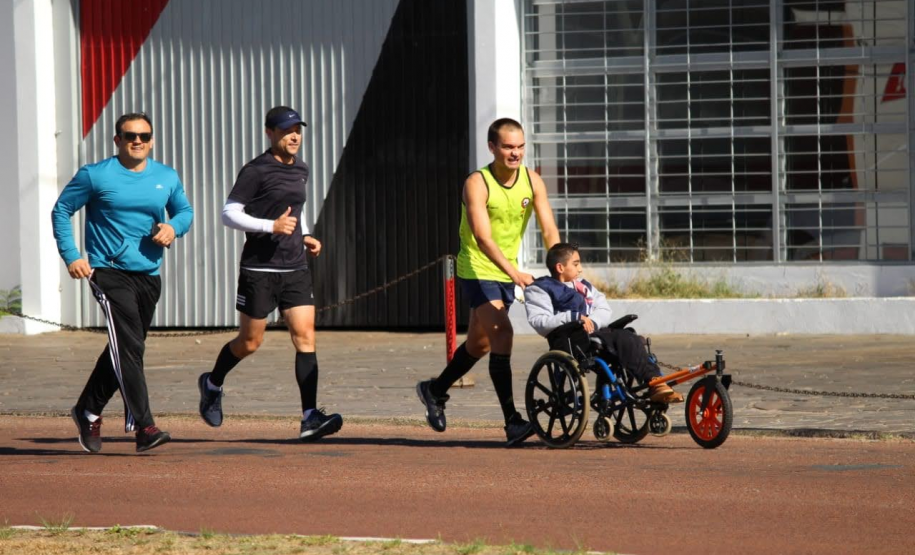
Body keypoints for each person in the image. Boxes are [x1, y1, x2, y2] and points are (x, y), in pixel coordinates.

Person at [196, 105, 342, 442]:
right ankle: (212, 383)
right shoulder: (256, 170)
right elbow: (229, 213)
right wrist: (269, 226)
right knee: (250, 342)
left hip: (295, 268)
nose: (294, 136)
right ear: (270, 133)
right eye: (286, 130)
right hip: (259, 269)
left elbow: (296, 209)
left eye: (297, 130)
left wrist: (305, 235)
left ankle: (309, 417)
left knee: (305, 337)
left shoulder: (301, 168)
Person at [51, 112, 194, 453]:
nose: (137, 141)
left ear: (152, 140)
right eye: (130, 136)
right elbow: (61, 211)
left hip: (149, 274)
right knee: (130, 348)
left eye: (144, 136)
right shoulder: (95, 175)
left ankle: (88, 409)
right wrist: (72, 256)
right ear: (118, 140)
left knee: (124, 347)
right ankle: (144, 427)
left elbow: (185, 212)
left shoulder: (166, 176)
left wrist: (173, 227)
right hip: (108, 271)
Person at [416, 118, 560, 446]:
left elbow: (549, 229)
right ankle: (512, 421)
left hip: (505, 271)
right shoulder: (477, 183)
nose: (515, 153)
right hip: (478, 269)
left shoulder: (532, 180)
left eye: (520, 146)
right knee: (503, 333)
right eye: (508, 147)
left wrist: (561, 268)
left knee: (479, 345)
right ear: (492, 147)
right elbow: (482, 238)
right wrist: (515, 274)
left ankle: (434, 391)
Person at [524, 243, 683, 403]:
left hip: (594, 333)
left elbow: (603, 308)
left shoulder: (584, 286)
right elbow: (540, 321)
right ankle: (655, 384)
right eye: (576, 264)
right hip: (571, 340)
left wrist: (592, 321)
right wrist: (574, 317)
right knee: (623, 339)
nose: (580, 269)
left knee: (630, 335)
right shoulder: (539, 289)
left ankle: (657, 382)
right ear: (560, 267)